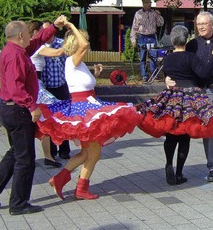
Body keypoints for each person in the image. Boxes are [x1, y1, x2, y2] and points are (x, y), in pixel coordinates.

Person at [39, 21, 141, 200]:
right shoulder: (73, 59)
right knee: (94, 154)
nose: (87, 44)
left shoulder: (78, 63)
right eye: (84, 40)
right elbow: (84, 45)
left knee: (87, 153)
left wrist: (95, 75)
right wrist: (71, 26)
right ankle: (78, 187)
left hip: (89, 106)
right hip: (85, 109)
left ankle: (63, 180)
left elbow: (82, 84)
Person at [0, 17, 65, 215]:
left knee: (16, 152)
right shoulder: (16, 55)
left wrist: (53, 27)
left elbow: (37, 43)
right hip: (17, 109)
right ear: (20, 35)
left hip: (11, 109)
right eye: (28, 33)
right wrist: (32, 106)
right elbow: (15, 86)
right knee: (25, 159)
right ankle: (18, 203)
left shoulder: (15, 50)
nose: (31, 36)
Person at [138, 25, 213, 185]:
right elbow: (203, 73)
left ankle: (168, 165)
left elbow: (168, 75)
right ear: (186, 39)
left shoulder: (167, 58)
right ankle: (179, 173)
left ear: (172, 40)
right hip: (189, 97)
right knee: (184, 136)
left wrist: (168, 79)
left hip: (172, 97)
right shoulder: (191, 57)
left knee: (171, 134)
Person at [167, 11, 213, 183]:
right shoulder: (192, 45)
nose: (201, 27)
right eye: (198, 24)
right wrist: (170, 78)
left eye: (204, 24)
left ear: (212, 25)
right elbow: (183, 66)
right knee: (209, 130)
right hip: (203, 92)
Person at [40, 21, 72, 161]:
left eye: (49, 31)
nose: (47, 34)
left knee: (63, 119)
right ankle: (51, 151)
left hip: (61, 86)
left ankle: (64, 149)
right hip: (46, 88)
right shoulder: (38, 46)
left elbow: (69, 63)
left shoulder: (61, 44)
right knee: (49, 121)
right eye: (44, 31)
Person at [131, 0, 164, 81]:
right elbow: (134, 27)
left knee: (153, 56)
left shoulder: (154, 13)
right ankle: (144, 75)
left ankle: (154, 75)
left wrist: (159, 15)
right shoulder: (138, 13)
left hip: (152, 37)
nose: (149, 4)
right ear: (143, 3)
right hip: (142, 37)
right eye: (148, 3)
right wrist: (133, 39)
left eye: (150, 3)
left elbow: (160, 24)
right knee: (143, 57)